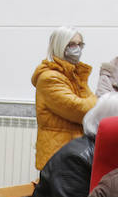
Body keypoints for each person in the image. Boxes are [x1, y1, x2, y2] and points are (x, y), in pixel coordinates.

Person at [32, 27, 98, 169]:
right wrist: (101, 101)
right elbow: (81, 110)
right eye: (72, 44)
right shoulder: (49, 78)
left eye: (80, 44)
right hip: (57, 155)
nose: (77, 49)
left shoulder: (75, 75)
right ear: (60, 45)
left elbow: (90, 104)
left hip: (73, 152)